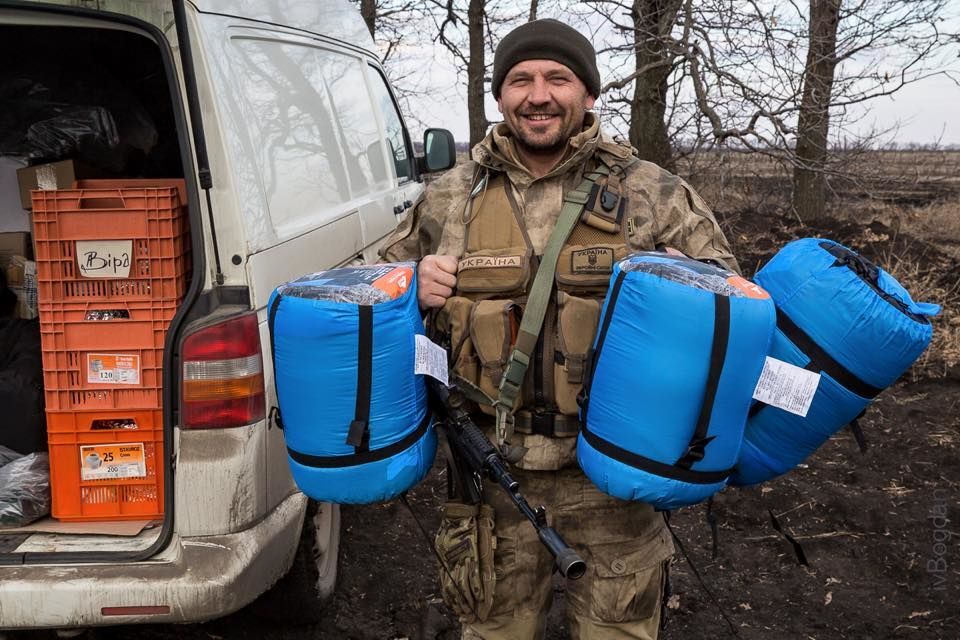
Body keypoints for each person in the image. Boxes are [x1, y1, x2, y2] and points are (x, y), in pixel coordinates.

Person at [381, 18, 738, 640]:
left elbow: (735, 294)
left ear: (590, 94)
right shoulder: (450, 197)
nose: (537, 95)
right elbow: (363, 296)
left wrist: (694, 284)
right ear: (500, 97)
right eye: (520, 79)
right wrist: (409, 282)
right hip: (491, 474)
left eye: (558, 78)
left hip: (614, 481)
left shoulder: (651, 191)